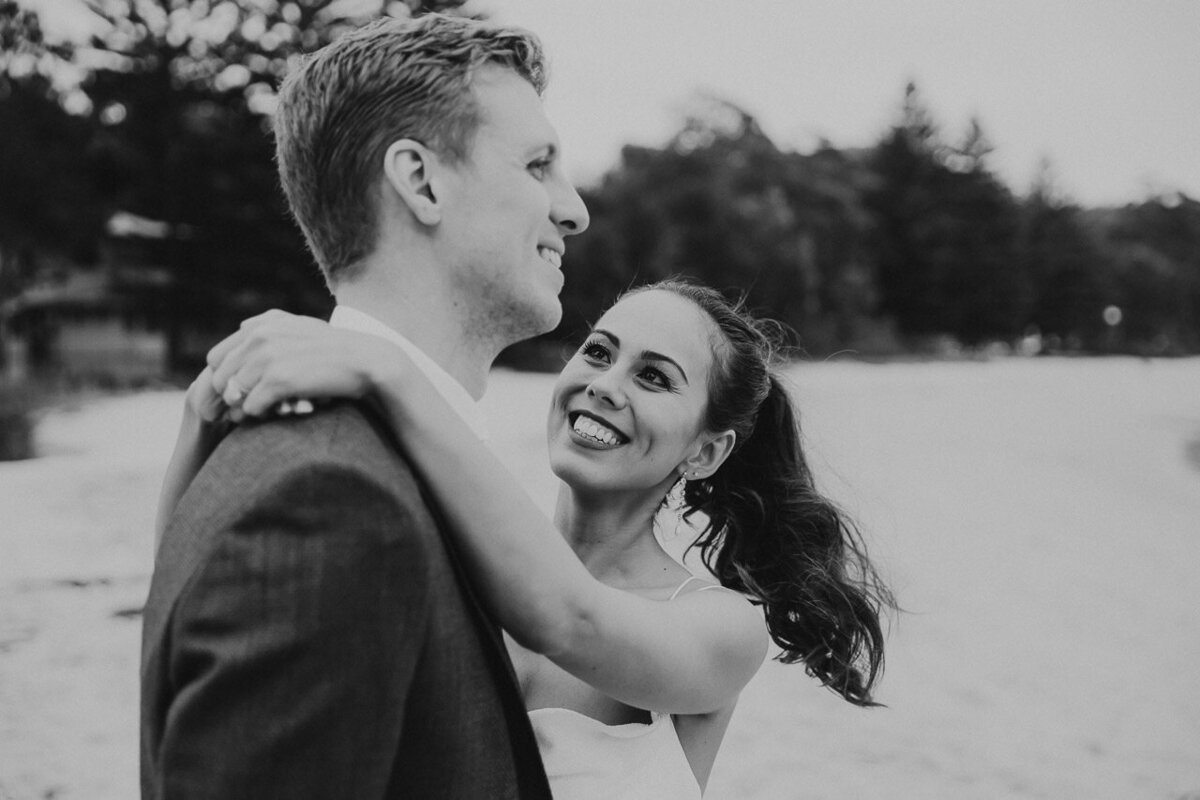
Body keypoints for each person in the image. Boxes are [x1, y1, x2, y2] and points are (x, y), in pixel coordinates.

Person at [163, 279, 894, 798]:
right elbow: (196, 613)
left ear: (704, 453)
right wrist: (202, 418)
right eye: (599, 352)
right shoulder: (458, 556)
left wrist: (389, 372)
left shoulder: (722, 626)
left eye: (654, 378)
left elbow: (569, 618)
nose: (607, 385)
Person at [141, 13, 589, 799]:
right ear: (420, 182)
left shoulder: (359, 465)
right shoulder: (329, 499)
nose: (575, 208)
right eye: (538, 165)